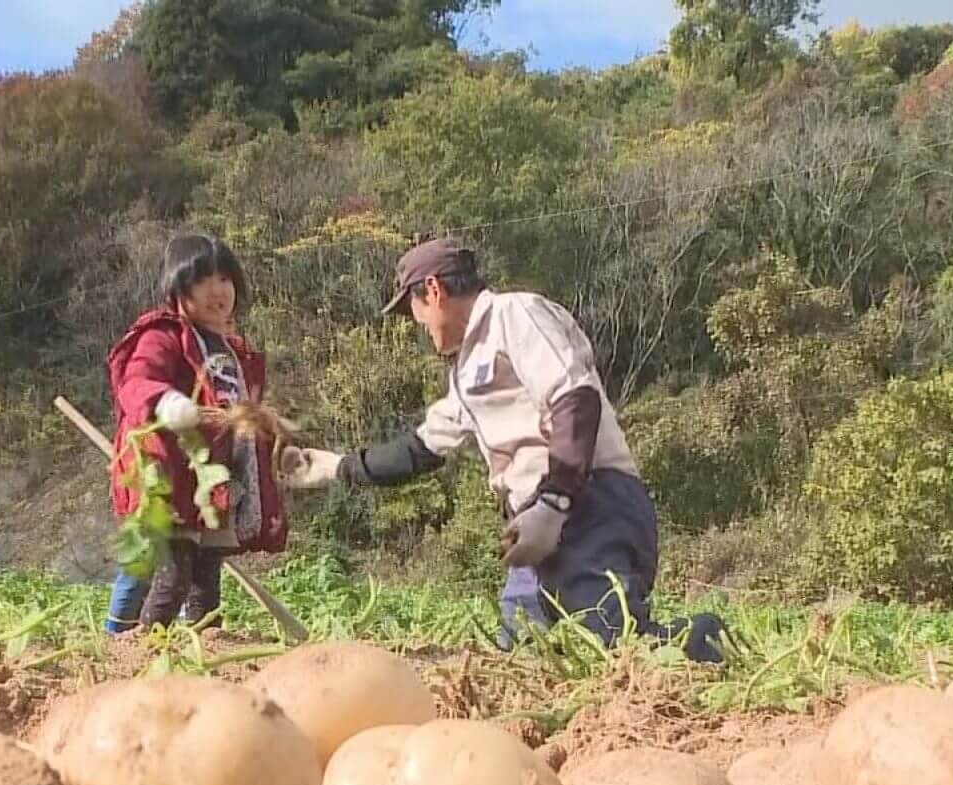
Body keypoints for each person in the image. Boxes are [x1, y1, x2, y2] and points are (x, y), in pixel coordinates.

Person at [279, 237, 725, 662]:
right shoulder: (466, 368)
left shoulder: (515, 315)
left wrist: (554, 504)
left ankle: (702, 639)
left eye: (412, 309)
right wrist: (338, 468)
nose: (417, 324)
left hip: (589, 503)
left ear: (432, 291)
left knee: (611, 646)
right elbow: (422, 449)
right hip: (534, 522)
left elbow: (575, 398)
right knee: (522, 654)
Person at [106, 234, 287, 631]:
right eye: (204, 280)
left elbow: (244, 418)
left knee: (206, 583)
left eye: (225, 280)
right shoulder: (162, 337)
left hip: (211, 487)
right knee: (172, 579)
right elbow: (135, 382)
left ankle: (204, 646)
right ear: (178, 287)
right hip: (168, 480)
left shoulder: (237, 352)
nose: (218, 290)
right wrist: (165, 402)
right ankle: (141, 651)